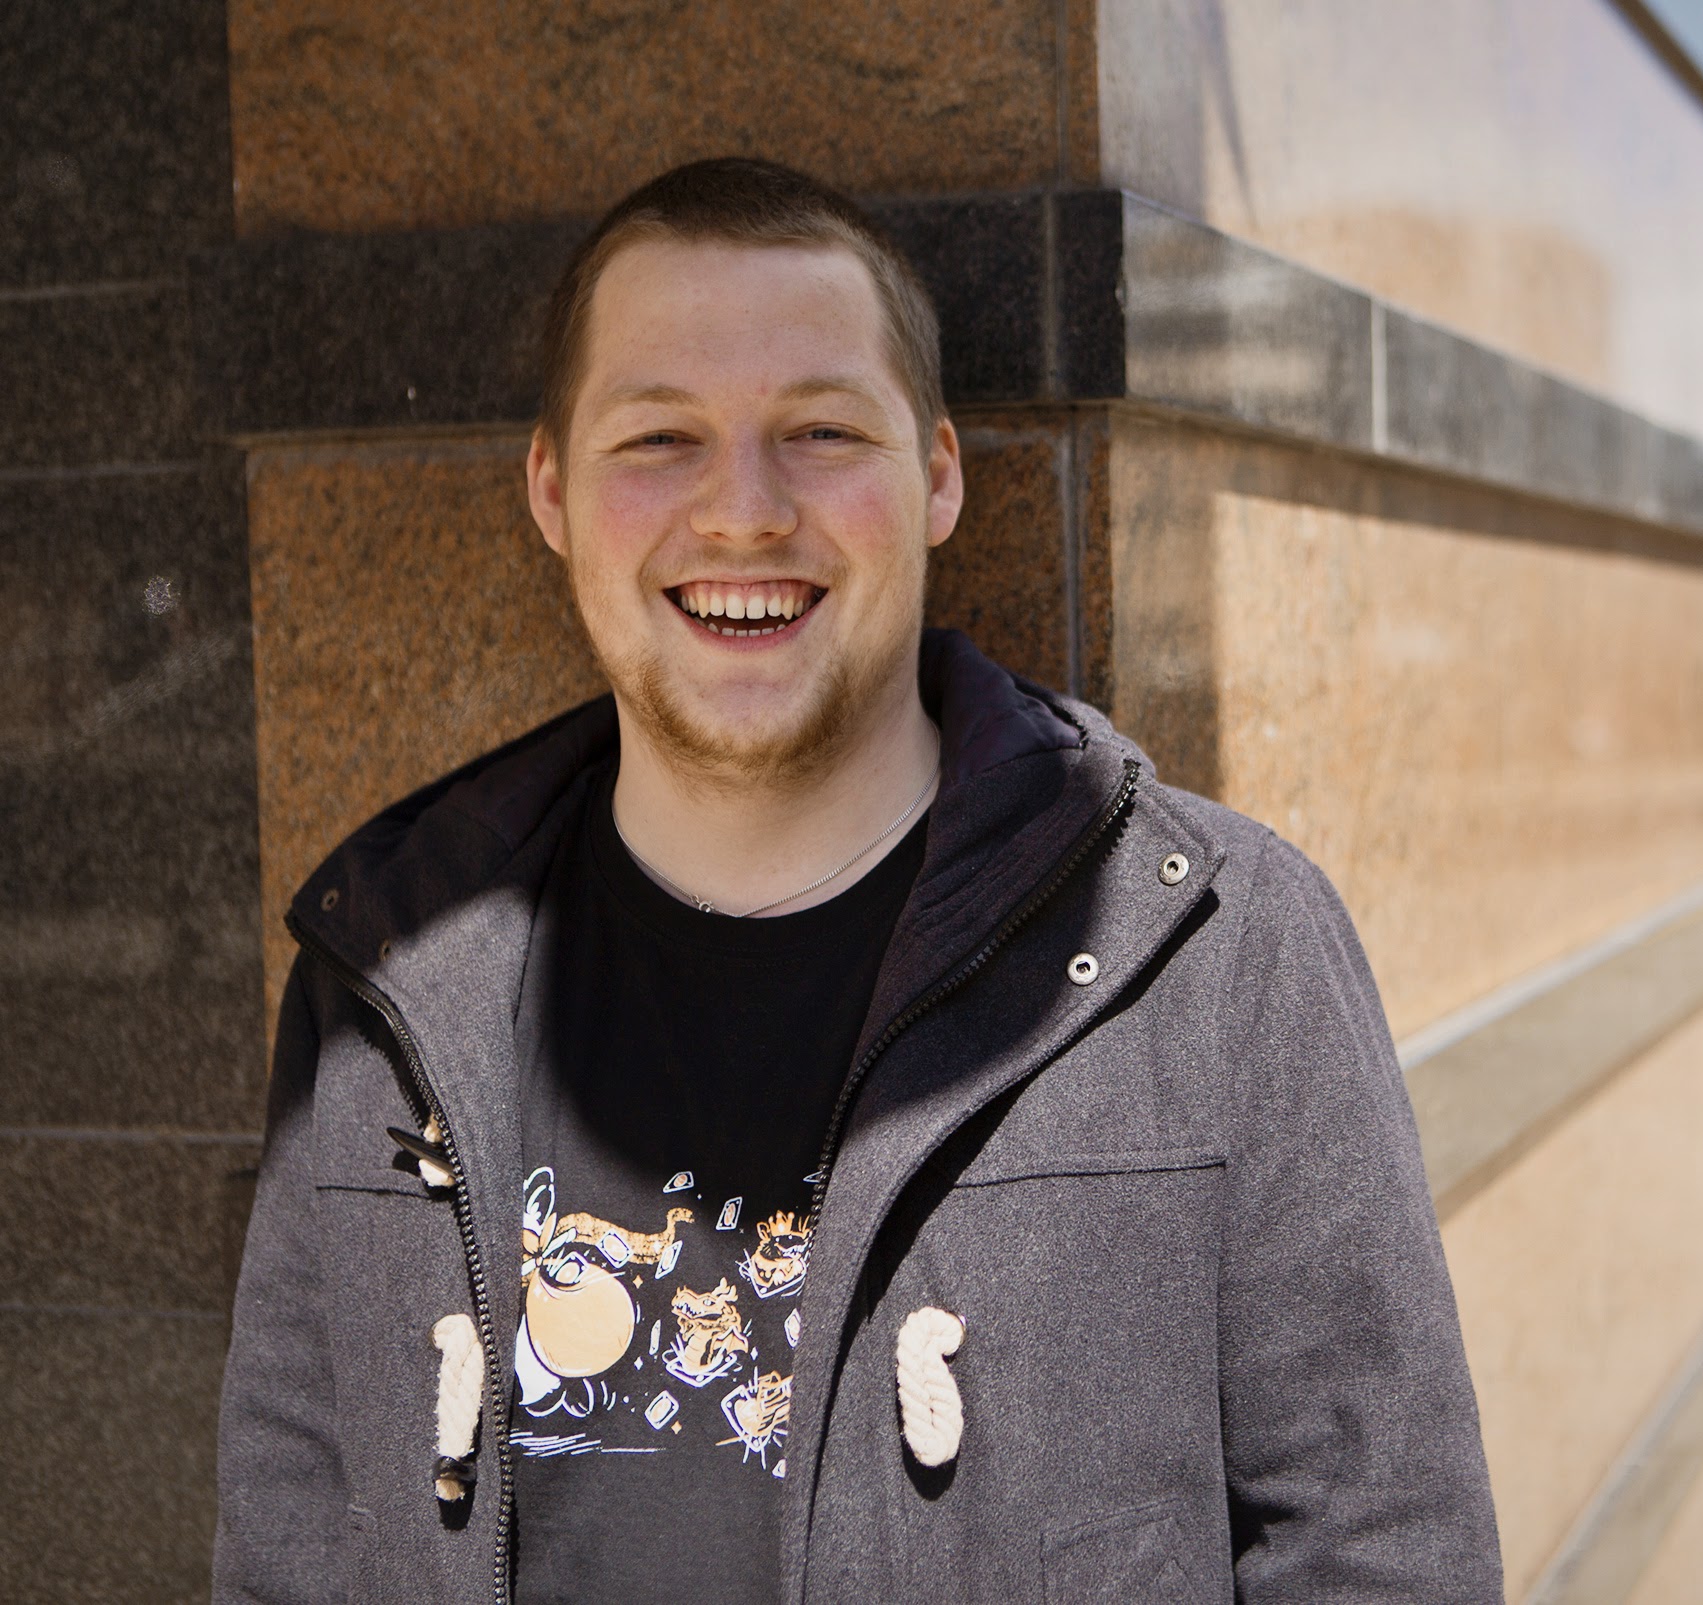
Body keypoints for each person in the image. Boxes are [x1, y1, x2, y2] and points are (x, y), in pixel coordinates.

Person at [213, 158, 1503, 1603]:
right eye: (659, 439)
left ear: (938, 475)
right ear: (553, 492)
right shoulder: (384, 979)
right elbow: (291, 1553)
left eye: (821, 429)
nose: (744, 510)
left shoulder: (1221, 951)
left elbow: (1383, 1553)